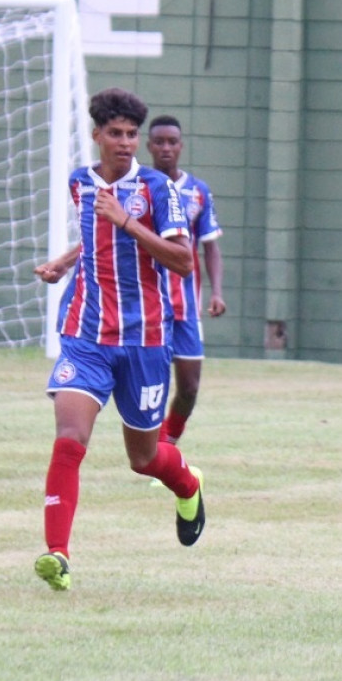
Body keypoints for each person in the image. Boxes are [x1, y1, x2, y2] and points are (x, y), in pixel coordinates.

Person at [31, 89, 206, 591]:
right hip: (87, 334)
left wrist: (125, 221)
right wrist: (65, 263)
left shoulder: (156, 189)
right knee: (70, 438)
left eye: (132, 134)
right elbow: (94, 234)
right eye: (116, 133)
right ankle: (57, 555)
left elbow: (181, 259)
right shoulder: (78, 183)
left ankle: (188, 484)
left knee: (143, 459)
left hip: (146, 339)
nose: (126, 142)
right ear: (97, 136)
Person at [145, 114, 225, 448]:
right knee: (154, 389)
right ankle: (154, 456)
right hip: (149, 307)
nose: (166, 148)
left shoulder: (197, 191)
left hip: (186, 309)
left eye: (172, 142)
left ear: (181, 146)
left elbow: (210, 246)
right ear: (148, 146)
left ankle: (167, 446)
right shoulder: (140, 186)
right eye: (159, 142)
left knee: (189, 388)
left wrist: (217, 291)